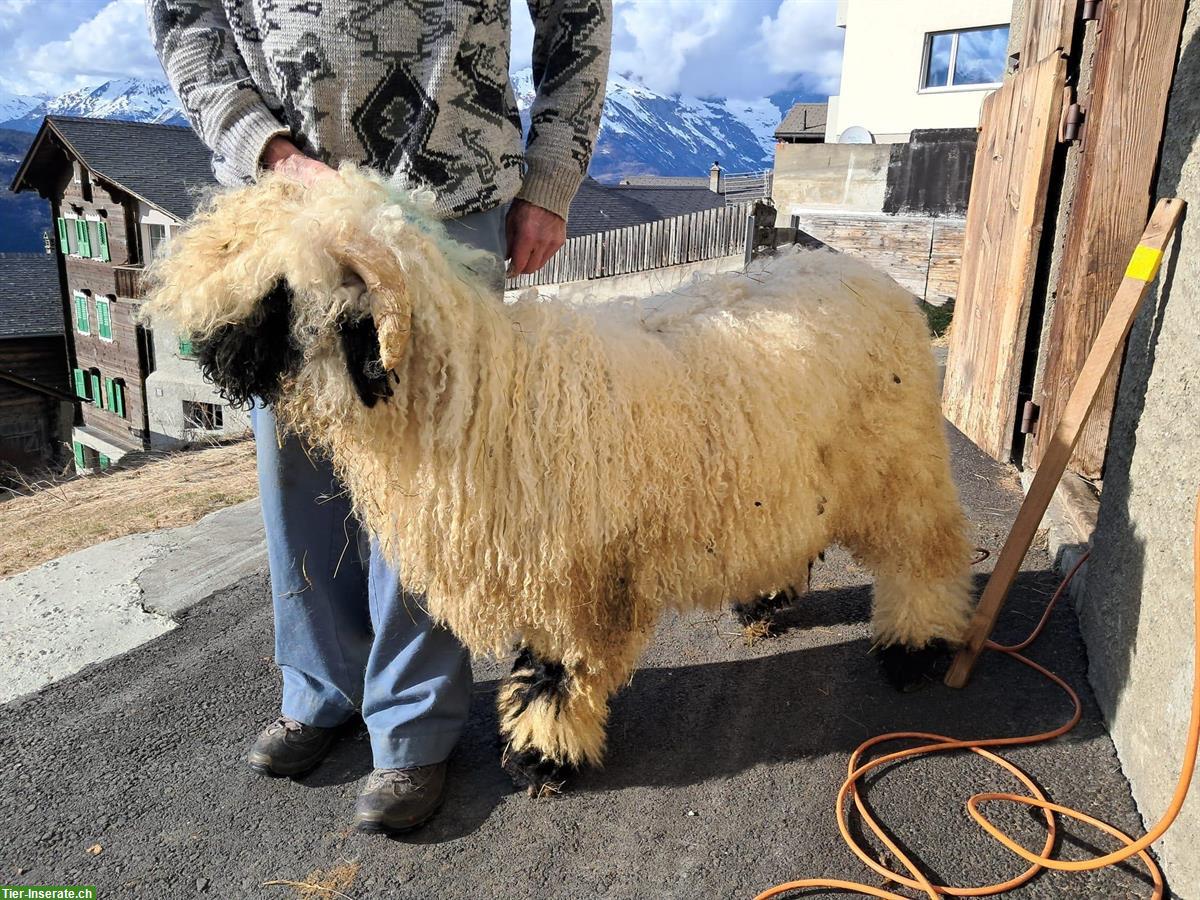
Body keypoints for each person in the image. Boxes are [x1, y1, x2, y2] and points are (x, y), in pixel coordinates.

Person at [146, 0, 611, 833]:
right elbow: (187, 20)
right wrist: (268, 149)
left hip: (451, 196)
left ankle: (411, 723)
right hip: (282, 205)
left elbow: (579, 16)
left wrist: (551, 176)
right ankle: (321, 685)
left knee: (429, 486)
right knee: (297, 470)